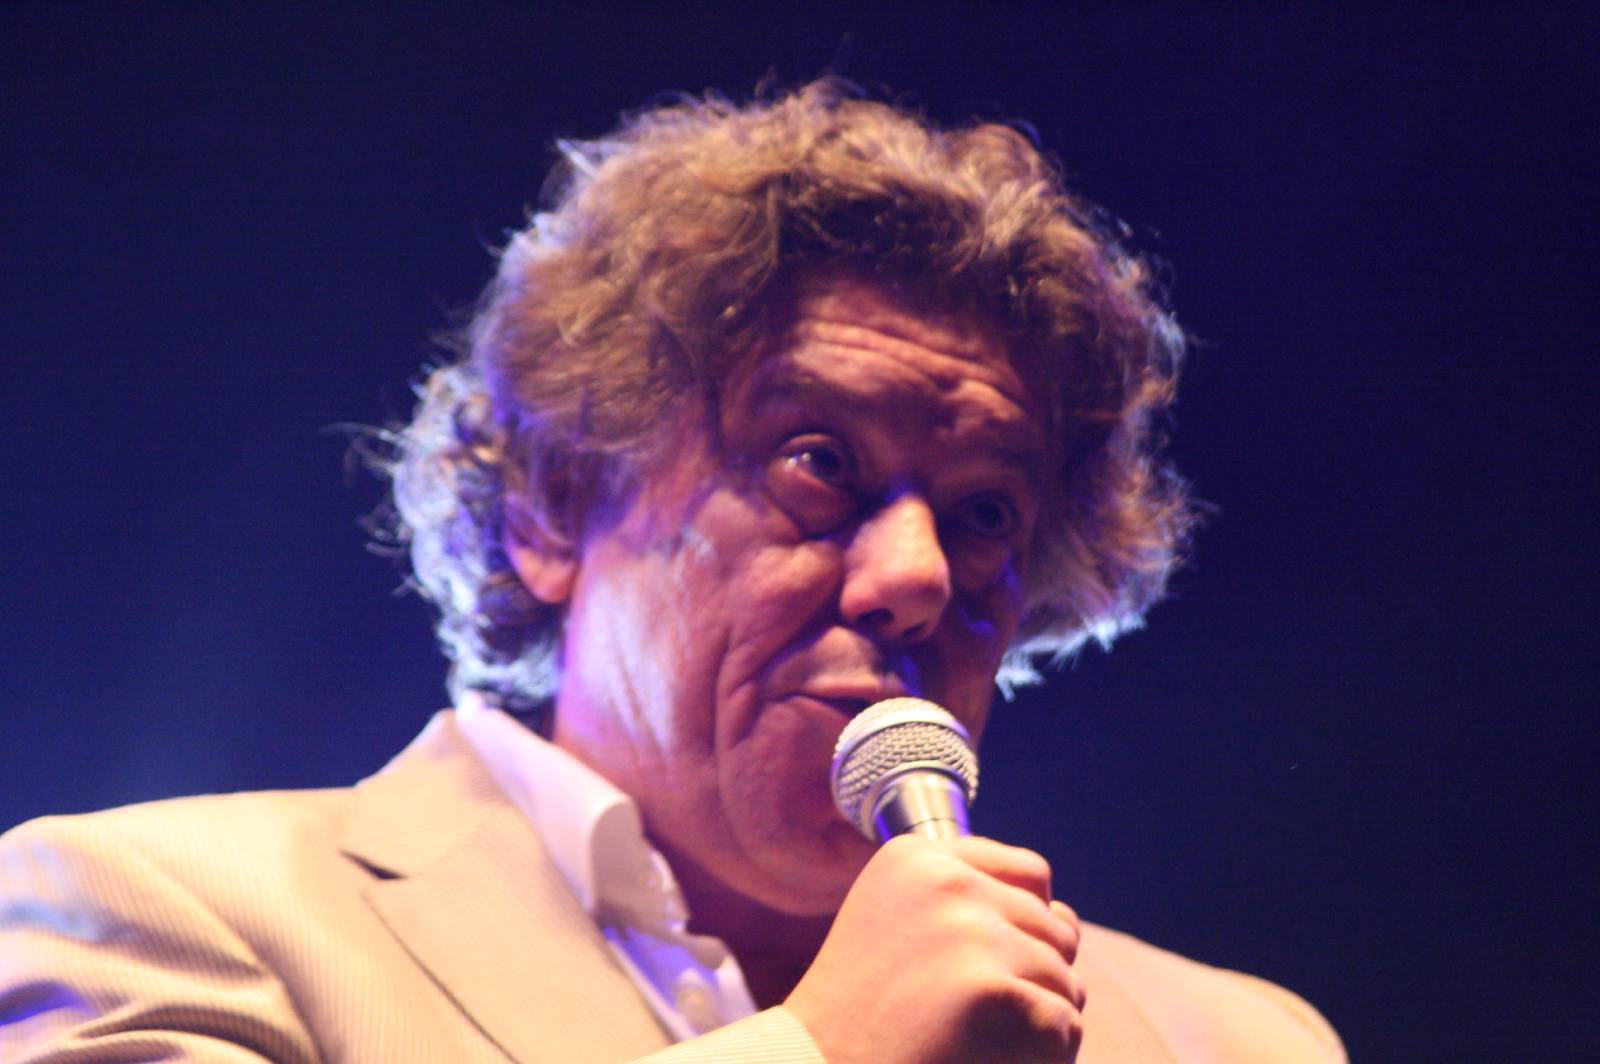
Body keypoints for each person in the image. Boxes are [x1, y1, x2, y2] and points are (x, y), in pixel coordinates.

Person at [0, 81, 1344, 1062]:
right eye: (820, 461)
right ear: (554, 506)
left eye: (986, 510)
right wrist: (821, 1053)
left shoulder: (1236, 1042)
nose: (918, 576)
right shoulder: (140, 912)